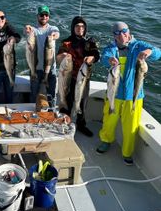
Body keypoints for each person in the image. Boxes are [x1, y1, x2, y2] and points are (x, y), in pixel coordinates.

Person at [97, 21, 161, 165]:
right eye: (118, 33)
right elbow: (103, 58)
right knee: (109, 120)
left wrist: (150, 52)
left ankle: (127, 152)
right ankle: (106, 141)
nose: (122, 35)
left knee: (131, 127)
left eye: (124, 31)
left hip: (134, 96)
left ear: (129, 31)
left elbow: (158, 52)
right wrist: (110, 60)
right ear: (114, 35)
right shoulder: (111, 48)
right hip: (115, 94)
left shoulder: (138, 45)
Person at [57, 16, 100, 137]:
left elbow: (96, 55)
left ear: (85, 28)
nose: (80, 28)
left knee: (82, 103)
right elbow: (58, 57)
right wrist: (63, 56)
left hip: (84, 78)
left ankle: (81, 125)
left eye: (82, 26)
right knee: (67, 102)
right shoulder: (66, 42)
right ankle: (63, 123)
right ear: (73, 28)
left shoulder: (90, 41)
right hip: (69, 78)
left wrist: (91, 58)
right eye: (77, 26)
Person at [25, 5, 60, 105]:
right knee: (33, 94)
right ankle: (32, 113)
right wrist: (27, 29)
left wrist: (54, 36)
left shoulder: (52, 28)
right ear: (37, 16)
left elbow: (57, 33)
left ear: (48, 17)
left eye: (46, 15)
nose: (44, 17)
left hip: (50, 69)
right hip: (35, 68)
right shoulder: (33, 30)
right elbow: (27, 31)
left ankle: (51, 112)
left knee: (51, 95)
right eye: (41, 15)